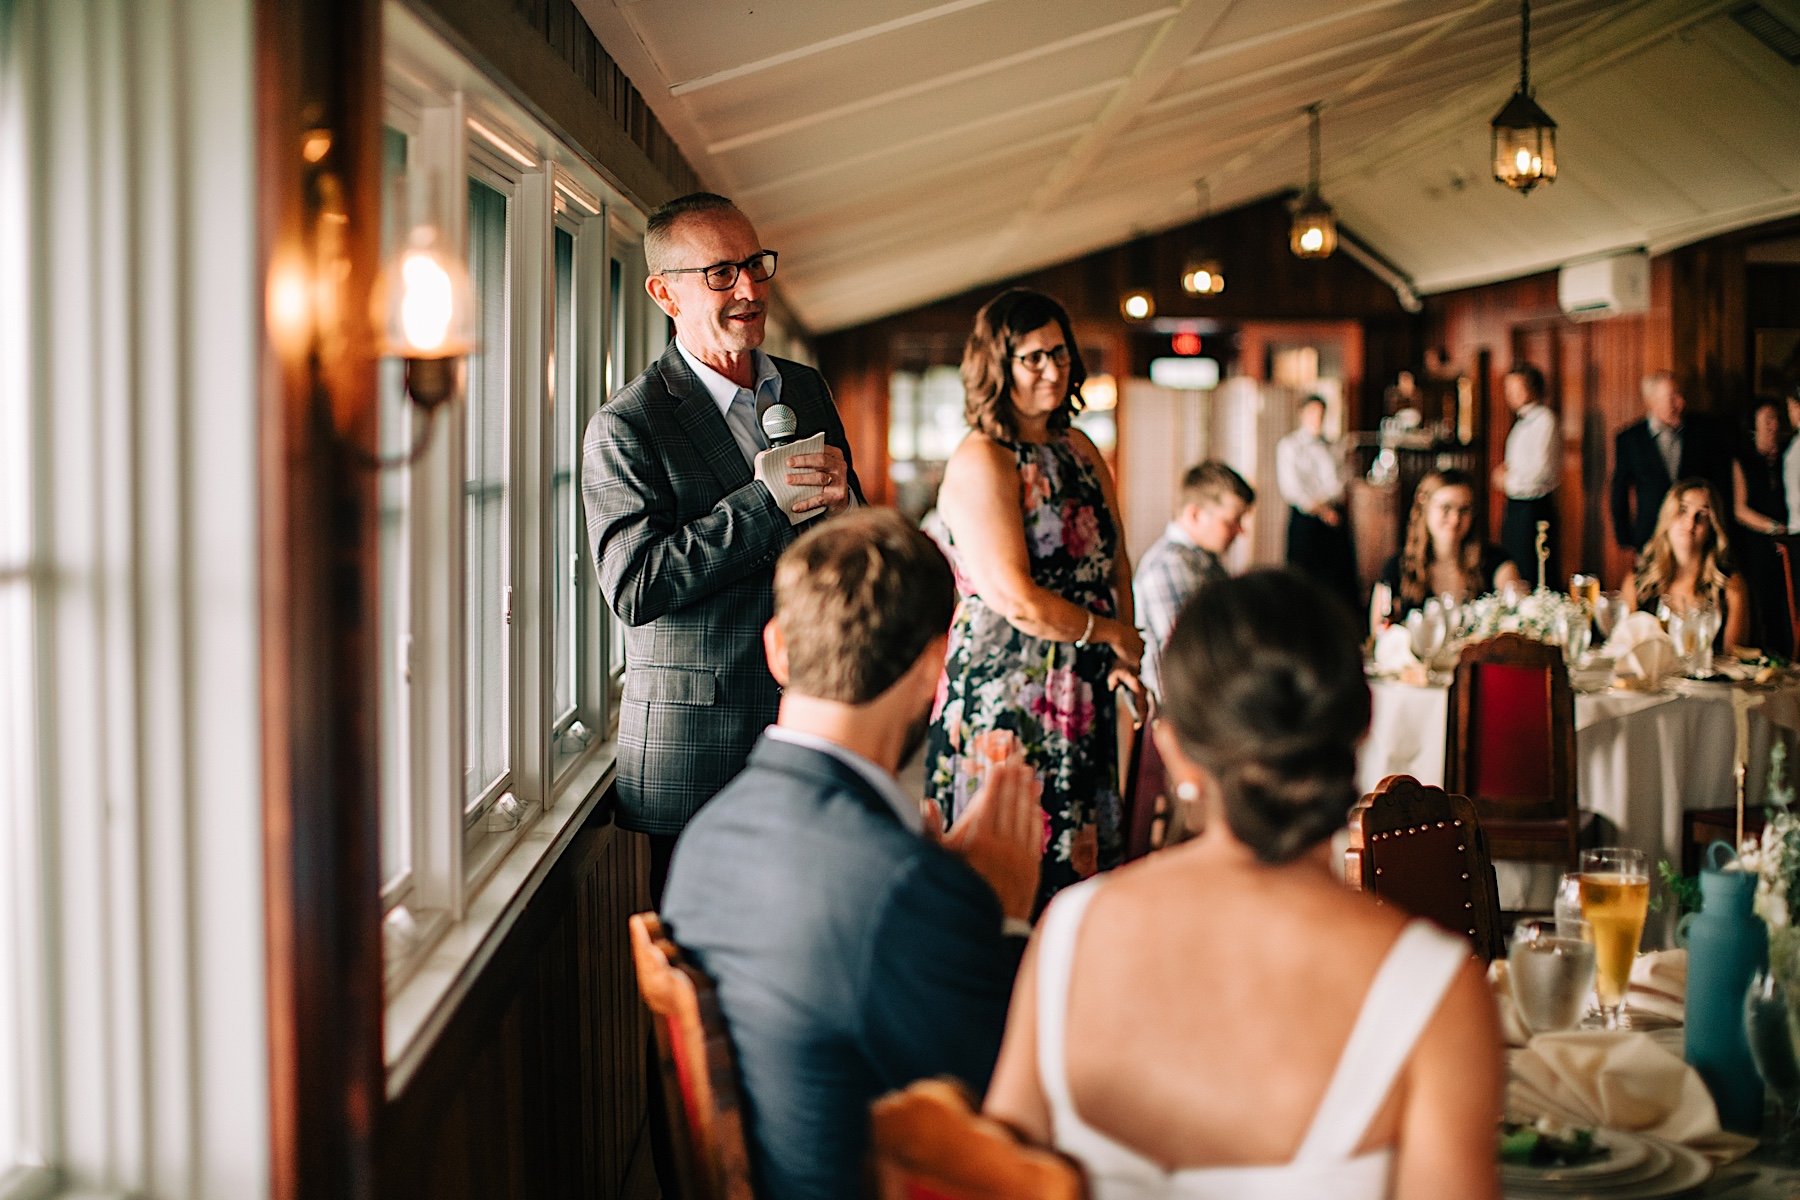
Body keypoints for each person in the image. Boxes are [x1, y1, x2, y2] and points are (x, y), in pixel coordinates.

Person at [983, 570, 1504, 1200]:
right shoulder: (1439, 991)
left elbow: (995, 1179)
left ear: (1174, 751)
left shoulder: (1070, 932)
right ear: (1362, 732)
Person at [661, 510, 1040, 1200]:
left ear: (777, 649)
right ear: (934, 666)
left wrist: (936, 884)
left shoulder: (707, 834)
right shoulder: (899, 886)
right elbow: (1015, 1123)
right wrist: (1001, 913)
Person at [581, 192, 863, 901]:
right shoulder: (628, 426)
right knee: (710, 969)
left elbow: (841, 534)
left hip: (816, 726)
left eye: (756, 265)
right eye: (721, 273)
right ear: (663, 292)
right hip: (702, 749)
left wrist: (849, 505)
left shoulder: (802, 387)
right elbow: (635, 585)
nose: (750, 290)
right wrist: (767, 506)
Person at [924, 288, 1143, 910]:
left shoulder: (1079, 449)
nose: (1054, 368)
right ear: (998, 367)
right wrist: (1111, 635)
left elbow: (1115, 557)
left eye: (1061, 353)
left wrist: (1123, 652)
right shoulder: (983, 459)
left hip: (1084, 677)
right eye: (1033, 358)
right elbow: (1015, 597)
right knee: (1012, 855)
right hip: (1010, 686)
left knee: (1083, 846)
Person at [1134, 460, 1254, 695]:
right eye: (1232, 521)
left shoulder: (1204, 560)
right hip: (1186, 710)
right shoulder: (1169, 566)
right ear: (1195, 515)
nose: (1241, 531)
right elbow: (1190, 656)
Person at [1611, 370, 1733, 554]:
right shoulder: (1629, 439)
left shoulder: (1703, 431)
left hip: (1695, 536)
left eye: (1681, 395)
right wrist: (1625, 537)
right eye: (1672, 397)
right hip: (1650, 536)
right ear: (1651, 401)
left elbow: (1719, 485)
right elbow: (1619, 490)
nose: (1681, 402)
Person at [1622, 479, 1750, 652]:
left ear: (1712, 527)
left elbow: (1734, 661)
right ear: (1667, 515)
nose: (1690, 523)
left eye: (1702, 515)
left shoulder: (1730, 586)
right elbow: (1626, 651)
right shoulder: (1637, 583)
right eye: (1682, 510)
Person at [1378, 468, 1522, 619]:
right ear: (1424, 508)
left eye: (1464, 510)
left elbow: (1518, 620)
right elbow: (1379, 635)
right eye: (1446, 508)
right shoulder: (1396, 569)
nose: (1455, 520)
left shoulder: (1497, 563)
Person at [1276, 395, 1358, 611]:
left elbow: (1340, 481)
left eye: (1321, 413)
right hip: (1307, 518)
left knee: (1337, 580)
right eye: (1313, 413)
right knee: (1303, 579)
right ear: (1302, 414)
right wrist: (1322, 510)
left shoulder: (1332, 445)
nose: (1317, 418)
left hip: (1334, 516)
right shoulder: (1290, 446)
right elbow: (1292, 488)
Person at [1490, 363, 1559, 584]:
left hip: (1534, 507)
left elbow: (1541, 470)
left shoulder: (1545, 420)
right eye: (1507, 389)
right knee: (1514, 565)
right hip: (1516, 505)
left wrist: (1506, 480)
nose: (1509, 395)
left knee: (1534, 569)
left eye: (1515, 388)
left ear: (1531, 388)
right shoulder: (1521, 422)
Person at [1732, 397, 1790, 654]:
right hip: (1756, 542)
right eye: (1767, 419)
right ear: (1754, 425)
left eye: (1776, 418)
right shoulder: (1743, 459)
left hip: (1787, 543)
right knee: (1760, 603)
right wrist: (1776, 529)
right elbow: (1740, 509)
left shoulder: (1788, 454)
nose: (1773, 425)